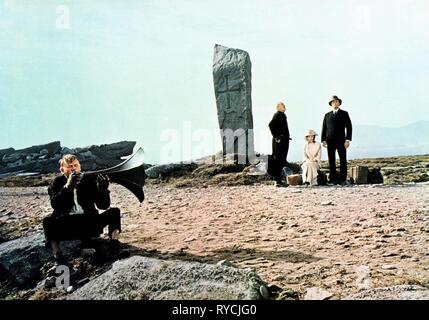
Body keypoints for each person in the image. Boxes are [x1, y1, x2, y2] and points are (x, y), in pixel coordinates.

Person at [43, 154, 123, 264]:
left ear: (80, 167)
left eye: (76, 165)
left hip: (89, 223)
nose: (74, 168)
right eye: (70, 166)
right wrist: (68, 187)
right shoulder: (56, 182)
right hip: (68, 225)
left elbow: (103, 206)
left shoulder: (89, 181)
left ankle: (114, 244)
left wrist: (103, 190)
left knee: (115, 212)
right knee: (47, 221)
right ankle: (58, 254)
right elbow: (56, 204)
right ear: (62, 170)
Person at [321, 95, 352, 185]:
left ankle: (343, 179)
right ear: (331, 104)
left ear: (339, 103)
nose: (335, 103)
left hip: (341, 141)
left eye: (337, 101)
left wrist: (347, 140)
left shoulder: (344, 113)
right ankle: (332, 179)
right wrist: (323, 140)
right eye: (333, 102)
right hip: (330, 141)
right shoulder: (327, 115)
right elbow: (324, 128)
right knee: (331, 161)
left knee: (343, 160)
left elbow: (349, 127)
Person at [268, 101, 291, 187]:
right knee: (278, 160)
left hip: (283, 140)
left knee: (281, 160)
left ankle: (279, 180)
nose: (285, 107)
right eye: (283, 105)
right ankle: (277, 180)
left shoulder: (281, 115)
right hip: (279, 141)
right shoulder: (277, 115)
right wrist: (277, 136)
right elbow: (271, 125)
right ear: (278, 107)